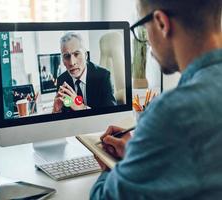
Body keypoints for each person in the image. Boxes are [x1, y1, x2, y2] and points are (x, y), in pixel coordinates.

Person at [90, 0, 222, 199]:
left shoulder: (172, 111)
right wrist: (143, 155)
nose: (147, 41)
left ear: (161, 23)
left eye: (143, 27)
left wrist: (116, 166)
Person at [52, 32, 117, 113]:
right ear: (62, 60)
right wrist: (55, 112)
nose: (72, 62)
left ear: (86, 55)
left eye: (76, 54)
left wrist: (82, 108)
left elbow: (111, 114)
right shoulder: (61, 80)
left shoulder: (103, 76)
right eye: (66, 56)